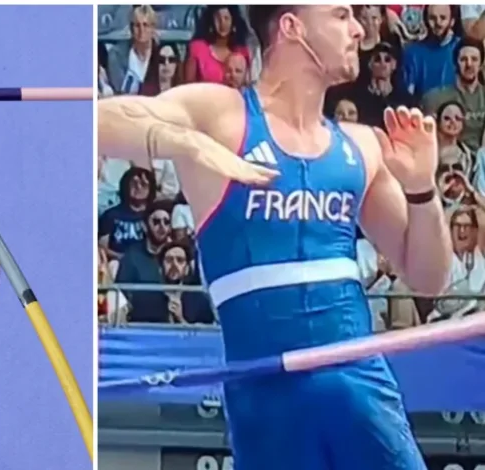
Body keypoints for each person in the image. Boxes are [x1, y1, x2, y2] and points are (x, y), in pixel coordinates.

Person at [99, 5, 451, 470]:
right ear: (292, 27)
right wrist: (187, 143)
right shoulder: (222, 115)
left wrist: (422, 188)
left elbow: (428, 278)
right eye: (341, 14)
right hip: (266, 395)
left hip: (361, 388)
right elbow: (97, 122)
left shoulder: (362, 144)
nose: (357, 29)